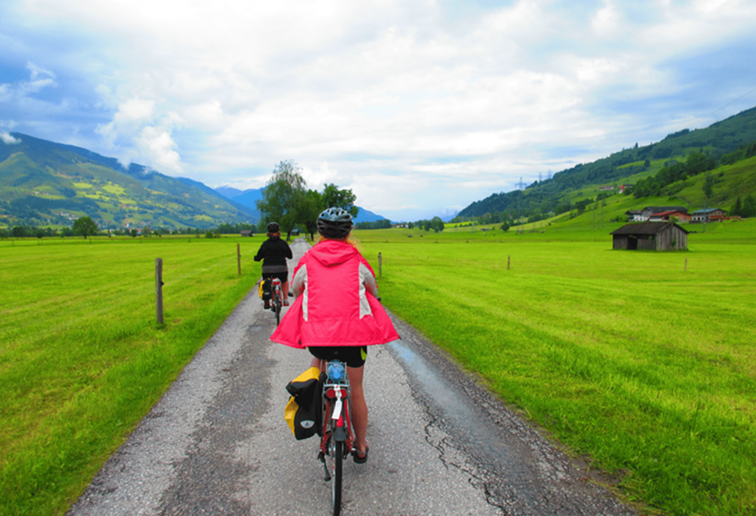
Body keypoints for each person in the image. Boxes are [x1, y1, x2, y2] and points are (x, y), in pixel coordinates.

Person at [271, 207, 399, 464]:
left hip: (319, 338)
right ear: (349, 232)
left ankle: (315, 407)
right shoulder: (358, 261)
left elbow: (296, 289)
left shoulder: (308, 260)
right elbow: (372, 290)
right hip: (354, 338)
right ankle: (361, 446)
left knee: (318, 366)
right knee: (357, 390)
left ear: (320, 233)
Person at [254, 222, 293, 309]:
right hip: (281, 268)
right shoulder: (283, 243)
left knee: (267, 283)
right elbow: (290, 256)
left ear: (268, 233)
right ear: (279, 232)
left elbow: (259, 257)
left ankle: (267, 302)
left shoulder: (265, 244)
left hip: (267, 269)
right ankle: (285, 299)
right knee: (284, 280)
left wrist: (256, 258)